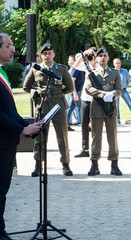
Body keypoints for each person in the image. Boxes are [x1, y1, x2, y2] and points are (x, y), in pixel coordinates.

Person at [0, 33, 43, 240]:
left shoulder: (2, 73)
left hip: (7, 142)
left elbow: (10, 111)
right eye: (8, 45)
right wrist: (21, 130)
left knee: (2, 190)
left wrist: (27, 124)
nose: (13, 49)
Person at [23, 43, 74, 177]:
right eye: (44, 53)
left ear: (54, 54)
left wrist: (58, 94)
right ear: (41, 55)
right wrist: (36, 93)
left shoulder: (61, 69)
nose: (47, 55)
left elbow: (70, 87)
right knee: (39, 137)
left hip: (58, 106)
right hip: (42, 106)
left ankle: (65, 164)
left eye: (49, 53)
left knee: (62, 136)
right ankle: (38, 165)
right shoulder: (36, 69)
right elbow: (26, 86)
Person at [85, 48, 122, 176]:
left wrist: (112, 94)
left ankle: (114, 164)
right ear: (96, 58)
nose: (102, 58)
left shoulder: (115, 73)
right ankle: (94, 164)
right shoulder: (92, 73)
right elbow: (88, 88)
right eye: (99, 56)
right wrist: (102, 94)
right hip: (96, 109)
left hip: (110, 108)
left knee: (112, 137)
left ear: (108, 57)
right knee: (96, 137)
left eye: (104, 55)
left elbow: (119, 90)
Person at [74, 48, 97, 158]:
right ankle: (85, 149)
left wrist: (94, 60)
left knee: (96, 125)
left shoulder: (99, 67)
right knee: (84, 124)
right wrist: (84, 54)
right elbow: (76, 65)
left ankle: (95, 148)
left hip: (96, 100)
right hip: (85, 98)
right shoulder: (86, 65)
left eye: (93, 55)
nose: (91, 57)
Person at [113, 58, 131, 124]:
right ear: (114, 64)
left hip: (123, 90)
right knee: (116, 105)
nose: (118, 64)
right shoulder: (112, 72)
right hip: (116, 91)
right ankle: (117, 119)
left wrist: (125, 85)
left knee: (130, 103)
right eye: (116, 63)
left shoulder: (125, 71)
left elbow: (128, 79)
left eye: (119, 63)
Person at [66, 54, 85, 130]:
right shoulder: (77, 69)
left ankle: (66, 124)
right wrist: (75, 93)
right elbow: (72, 81)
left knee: (70, 108)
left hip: (78, 91)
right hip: (77, 91)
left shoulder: (80, 68)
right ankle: (85, 125)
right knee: (81, 108)